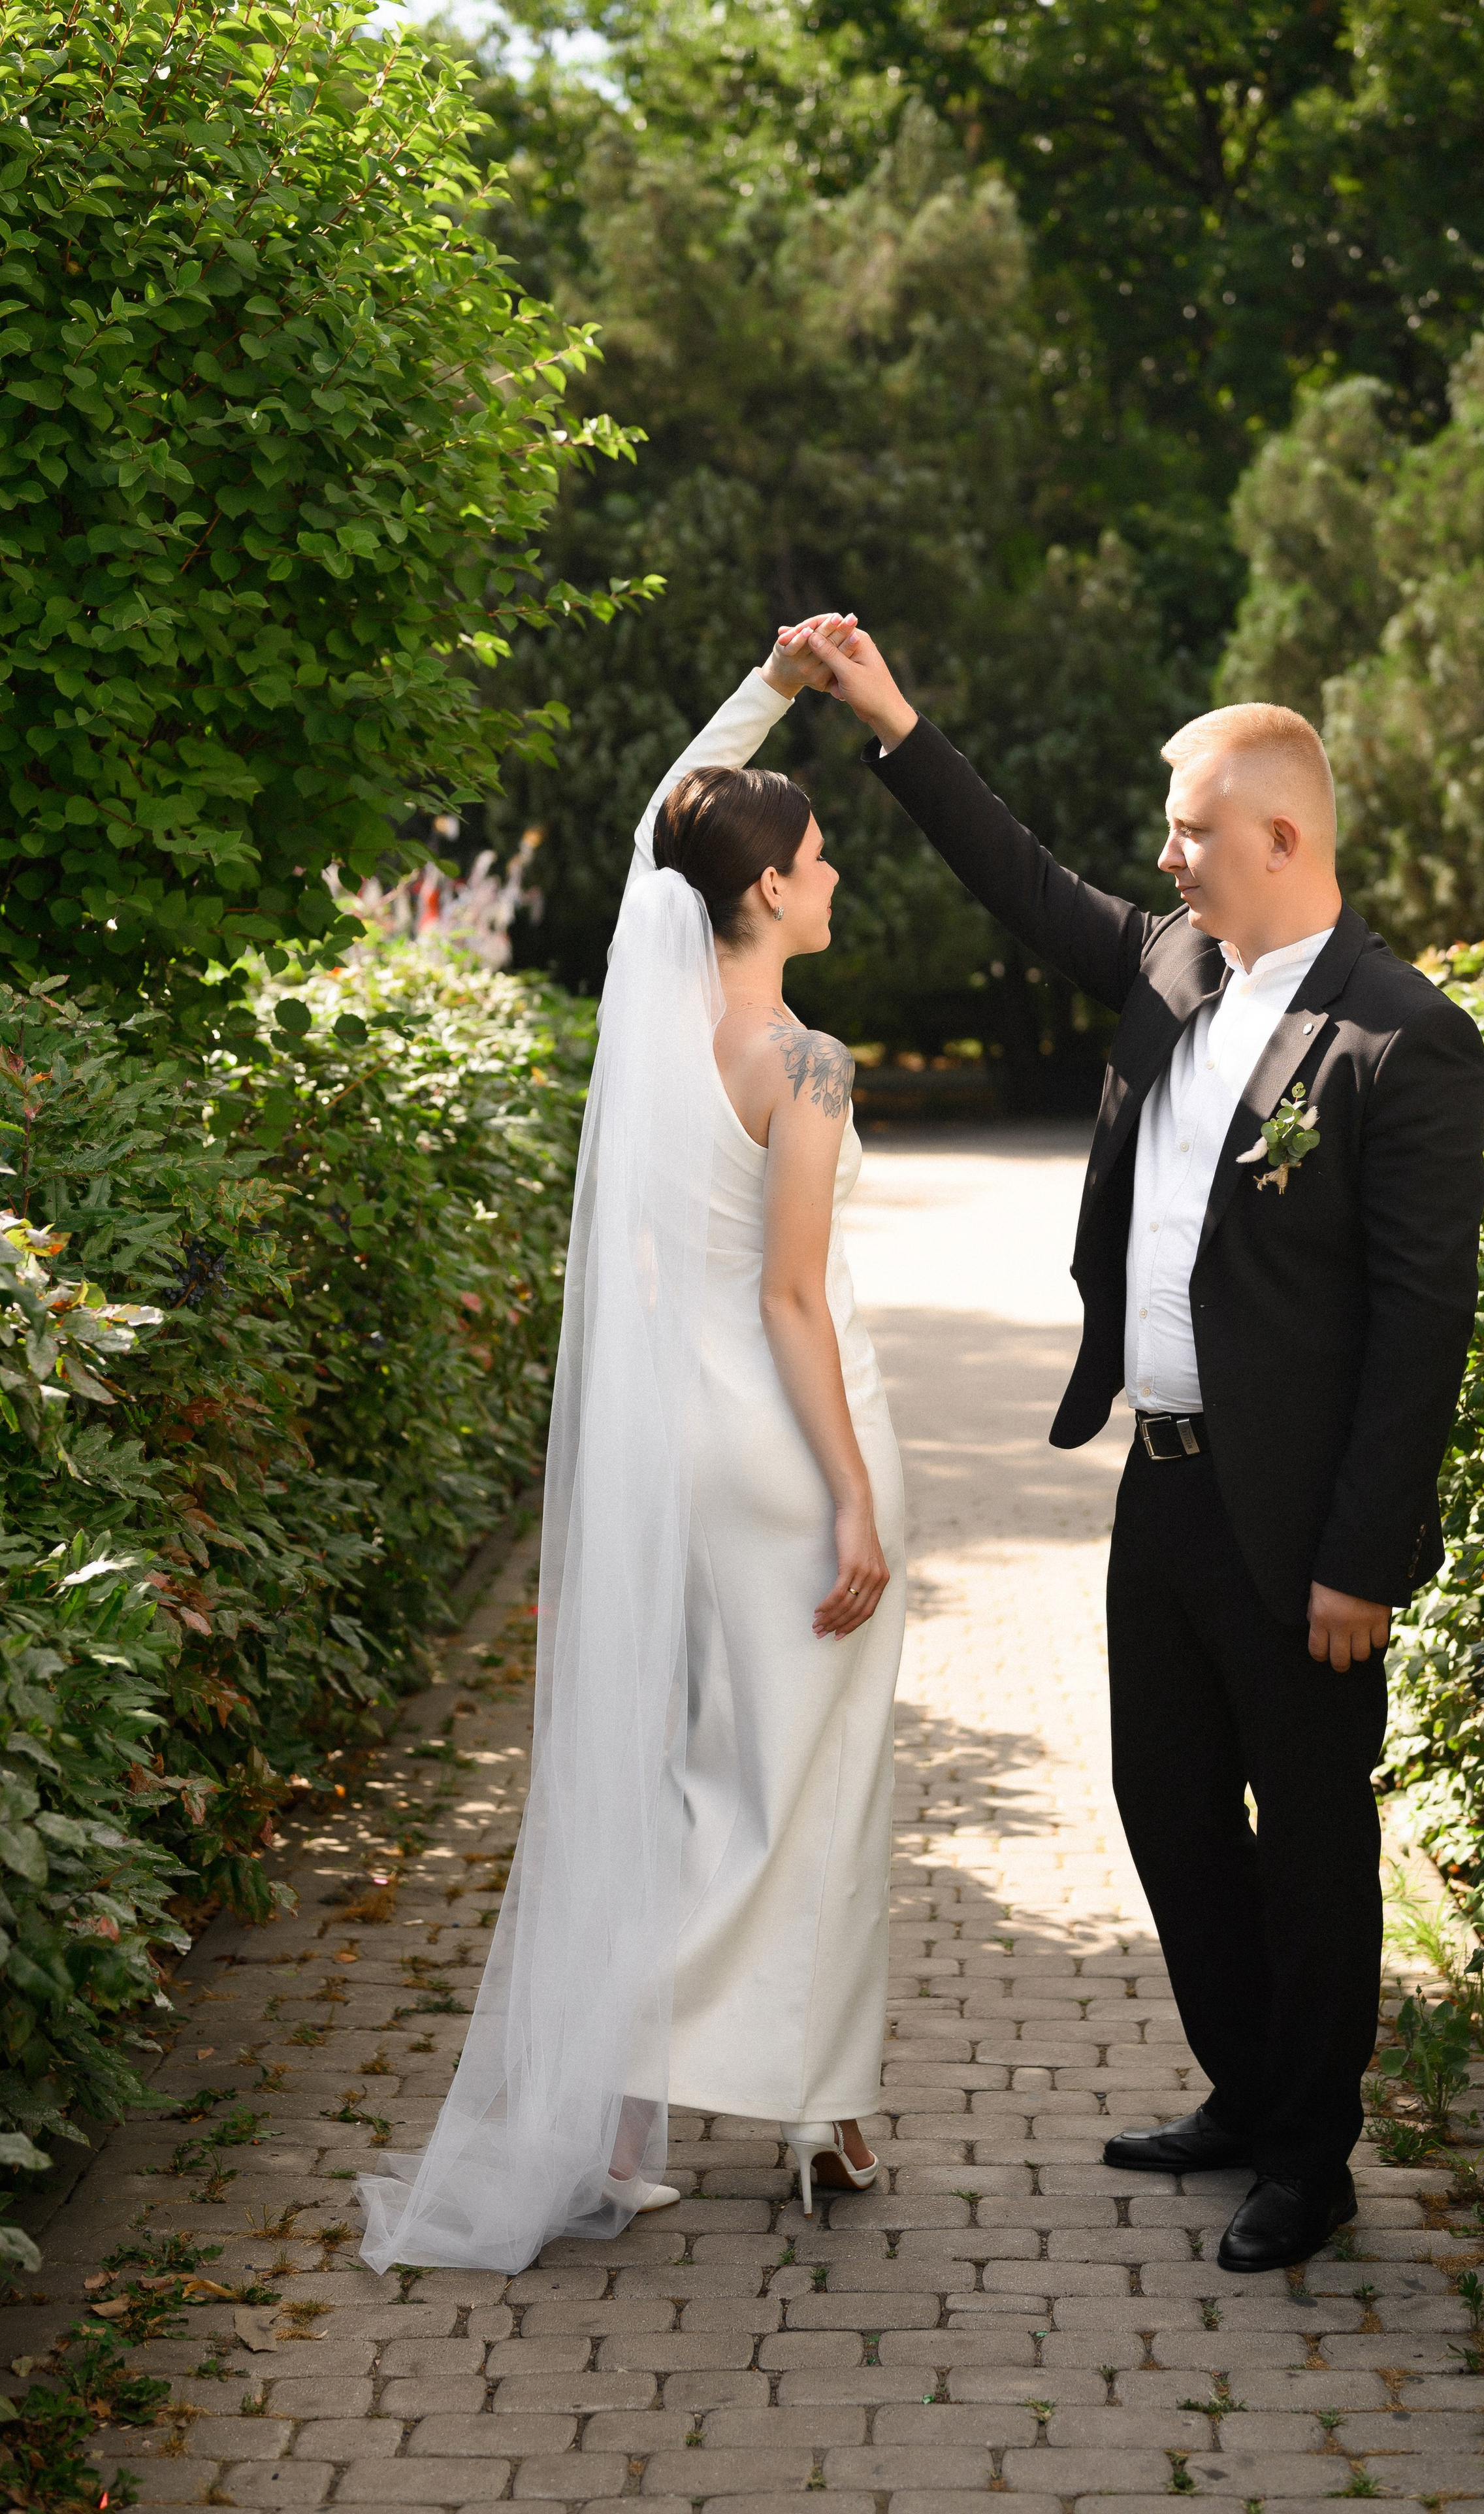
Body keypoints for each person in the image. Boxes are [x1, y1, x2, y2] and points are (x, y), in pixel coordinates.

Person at [794, 619, 1484, 2274]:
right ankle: (1246, 2092)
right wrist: (892, 721)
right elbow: (1023, 883)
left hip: (1298, 1527)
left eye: (1185, 826)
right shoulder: (1173, 966)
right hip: (1159, 1487)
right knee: (1164, 1809)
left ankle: (1307, 2158)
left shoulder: (1403, 1038)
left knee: (1313, 1847)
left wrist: (1356, 1557)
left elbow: (1418, 1332)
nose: (1161, 853)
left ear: (1278, 837)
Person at [358, 619, 907, 2274]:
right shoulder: (799, 1060)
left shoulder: (656, 1030)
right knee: (812, 1788)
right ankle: (818, 2109)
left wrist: (765, 690)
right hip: (787, 1440)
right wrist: (856, 1497)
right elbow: (795, 1300)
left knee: (688, 1778)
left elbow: (665, 816)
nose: (830, 879)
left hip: (677, 1439)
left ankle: (608, 2096)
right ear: (760, 895)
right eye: (813, 858)